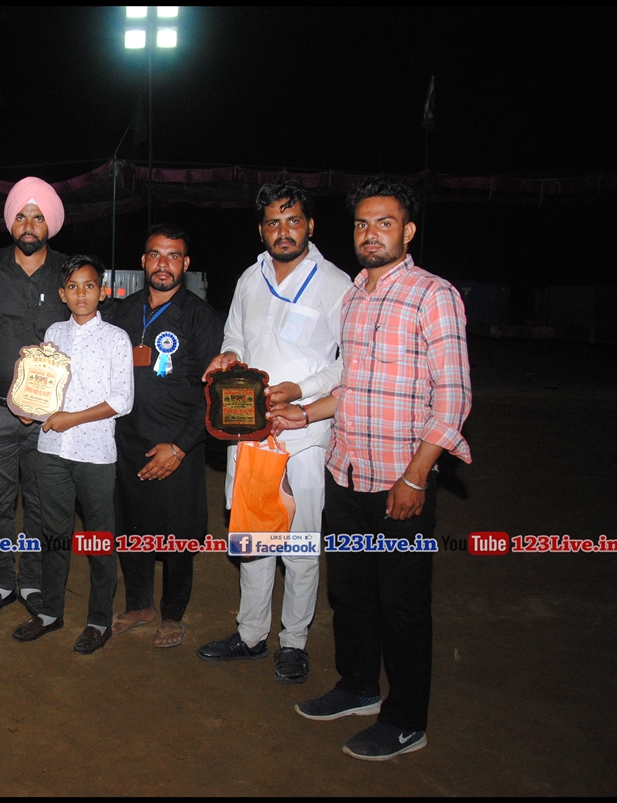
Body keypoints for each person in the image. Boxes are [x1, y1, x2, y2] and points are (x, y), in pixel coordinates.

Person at [285, 178, 471, 761]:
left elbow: (454, 399)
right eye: (362, 224)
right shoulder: (354, 297)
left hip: (398, 481)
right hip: (346, 473)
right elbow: (352, 385)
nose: (371, 234)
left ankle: (407, 719)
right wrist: (304, 413)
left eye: (384, 223)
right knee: (351, 593)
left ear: (408, 231)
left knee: (403, 605)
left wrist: (416, 477)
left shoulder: (432, 295)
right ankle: (358, 686)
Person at [195, 181, 351, 683]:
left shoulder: (336, 283)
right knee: (253, 535)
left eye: (293, 220)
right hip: (248, 430)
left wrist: (302, 390)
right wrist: (230, 356)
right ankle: (250, 634)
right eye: (273, 223)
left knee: (300, 542)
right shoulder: (250, 277)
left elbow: (350, 363)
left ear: (310, 225)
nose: (283, 231)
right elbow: (236, 336)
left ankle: (294, 642)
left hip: (304, 432)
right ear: (261, 229)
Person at [104, 225, 221, 648]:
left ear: (185, 264)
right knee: (131, 527)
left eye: (173, 256)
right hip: (127, 440)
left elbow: (213, 394)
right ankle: (139, 604)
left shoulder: (201, 317)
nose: (163, 264)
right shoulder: (122, 311)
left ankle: (172, 613)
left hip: (176, 445)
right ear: (143, 261)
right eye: (155, 254)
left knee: (178, 533)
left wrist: (181, 447)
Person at [10, 255, 133, 654]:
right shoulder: (53, 333)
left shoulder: (116, 338)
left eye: (90, 286)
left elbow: (122, 400)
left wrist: (71, 419)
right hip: (51, 451)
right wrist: (30, 409)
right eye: (74, 287)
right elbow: (45, 387)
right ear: (62, 294)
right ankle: (50, 612)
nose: (82, 294)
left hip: (95, 454)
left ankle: (98, 619)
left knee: (98, 538)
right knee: (54, 534)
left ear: (102, 291)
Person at [0, 177, 71, 618]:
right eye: (22, 216)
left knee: (43, 503)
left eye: (38, 217)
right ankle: (1, 581)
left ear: (51, 224)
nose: (29, 225)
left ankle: (32, 582)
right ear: (11, 221)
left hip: (50, 419)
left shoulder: (67, 273)